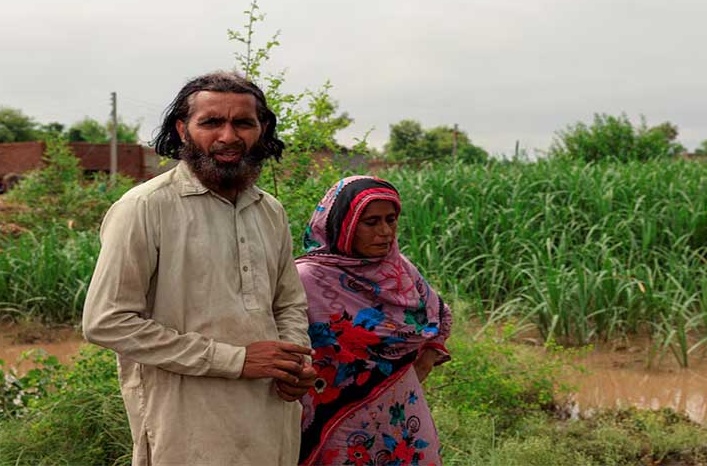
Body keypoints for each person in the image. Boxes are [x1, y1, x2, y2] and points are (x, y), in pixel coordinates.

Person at [82, 71, 316, 465]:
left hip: (269, 413)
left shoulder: (269, 210)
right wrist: (235, 361)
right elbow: (106, 321)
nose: (228, 136)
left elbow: (289, 304)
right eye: (211, 122)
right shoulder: (145, 208)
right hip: (186, 423)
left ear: (261, 130)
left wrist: (293, 362)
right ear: (183, 130)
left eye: (243, 122)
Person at [295, 176, 452, 466]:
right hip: (339, 419)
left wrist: (413, 370)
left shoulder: (400, 270)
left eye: (391, 220)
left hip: (402, 411)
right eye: (371, 222)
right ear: (343, 225)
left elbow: (437, 316)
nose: (385, 232)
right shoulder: (307, 279)